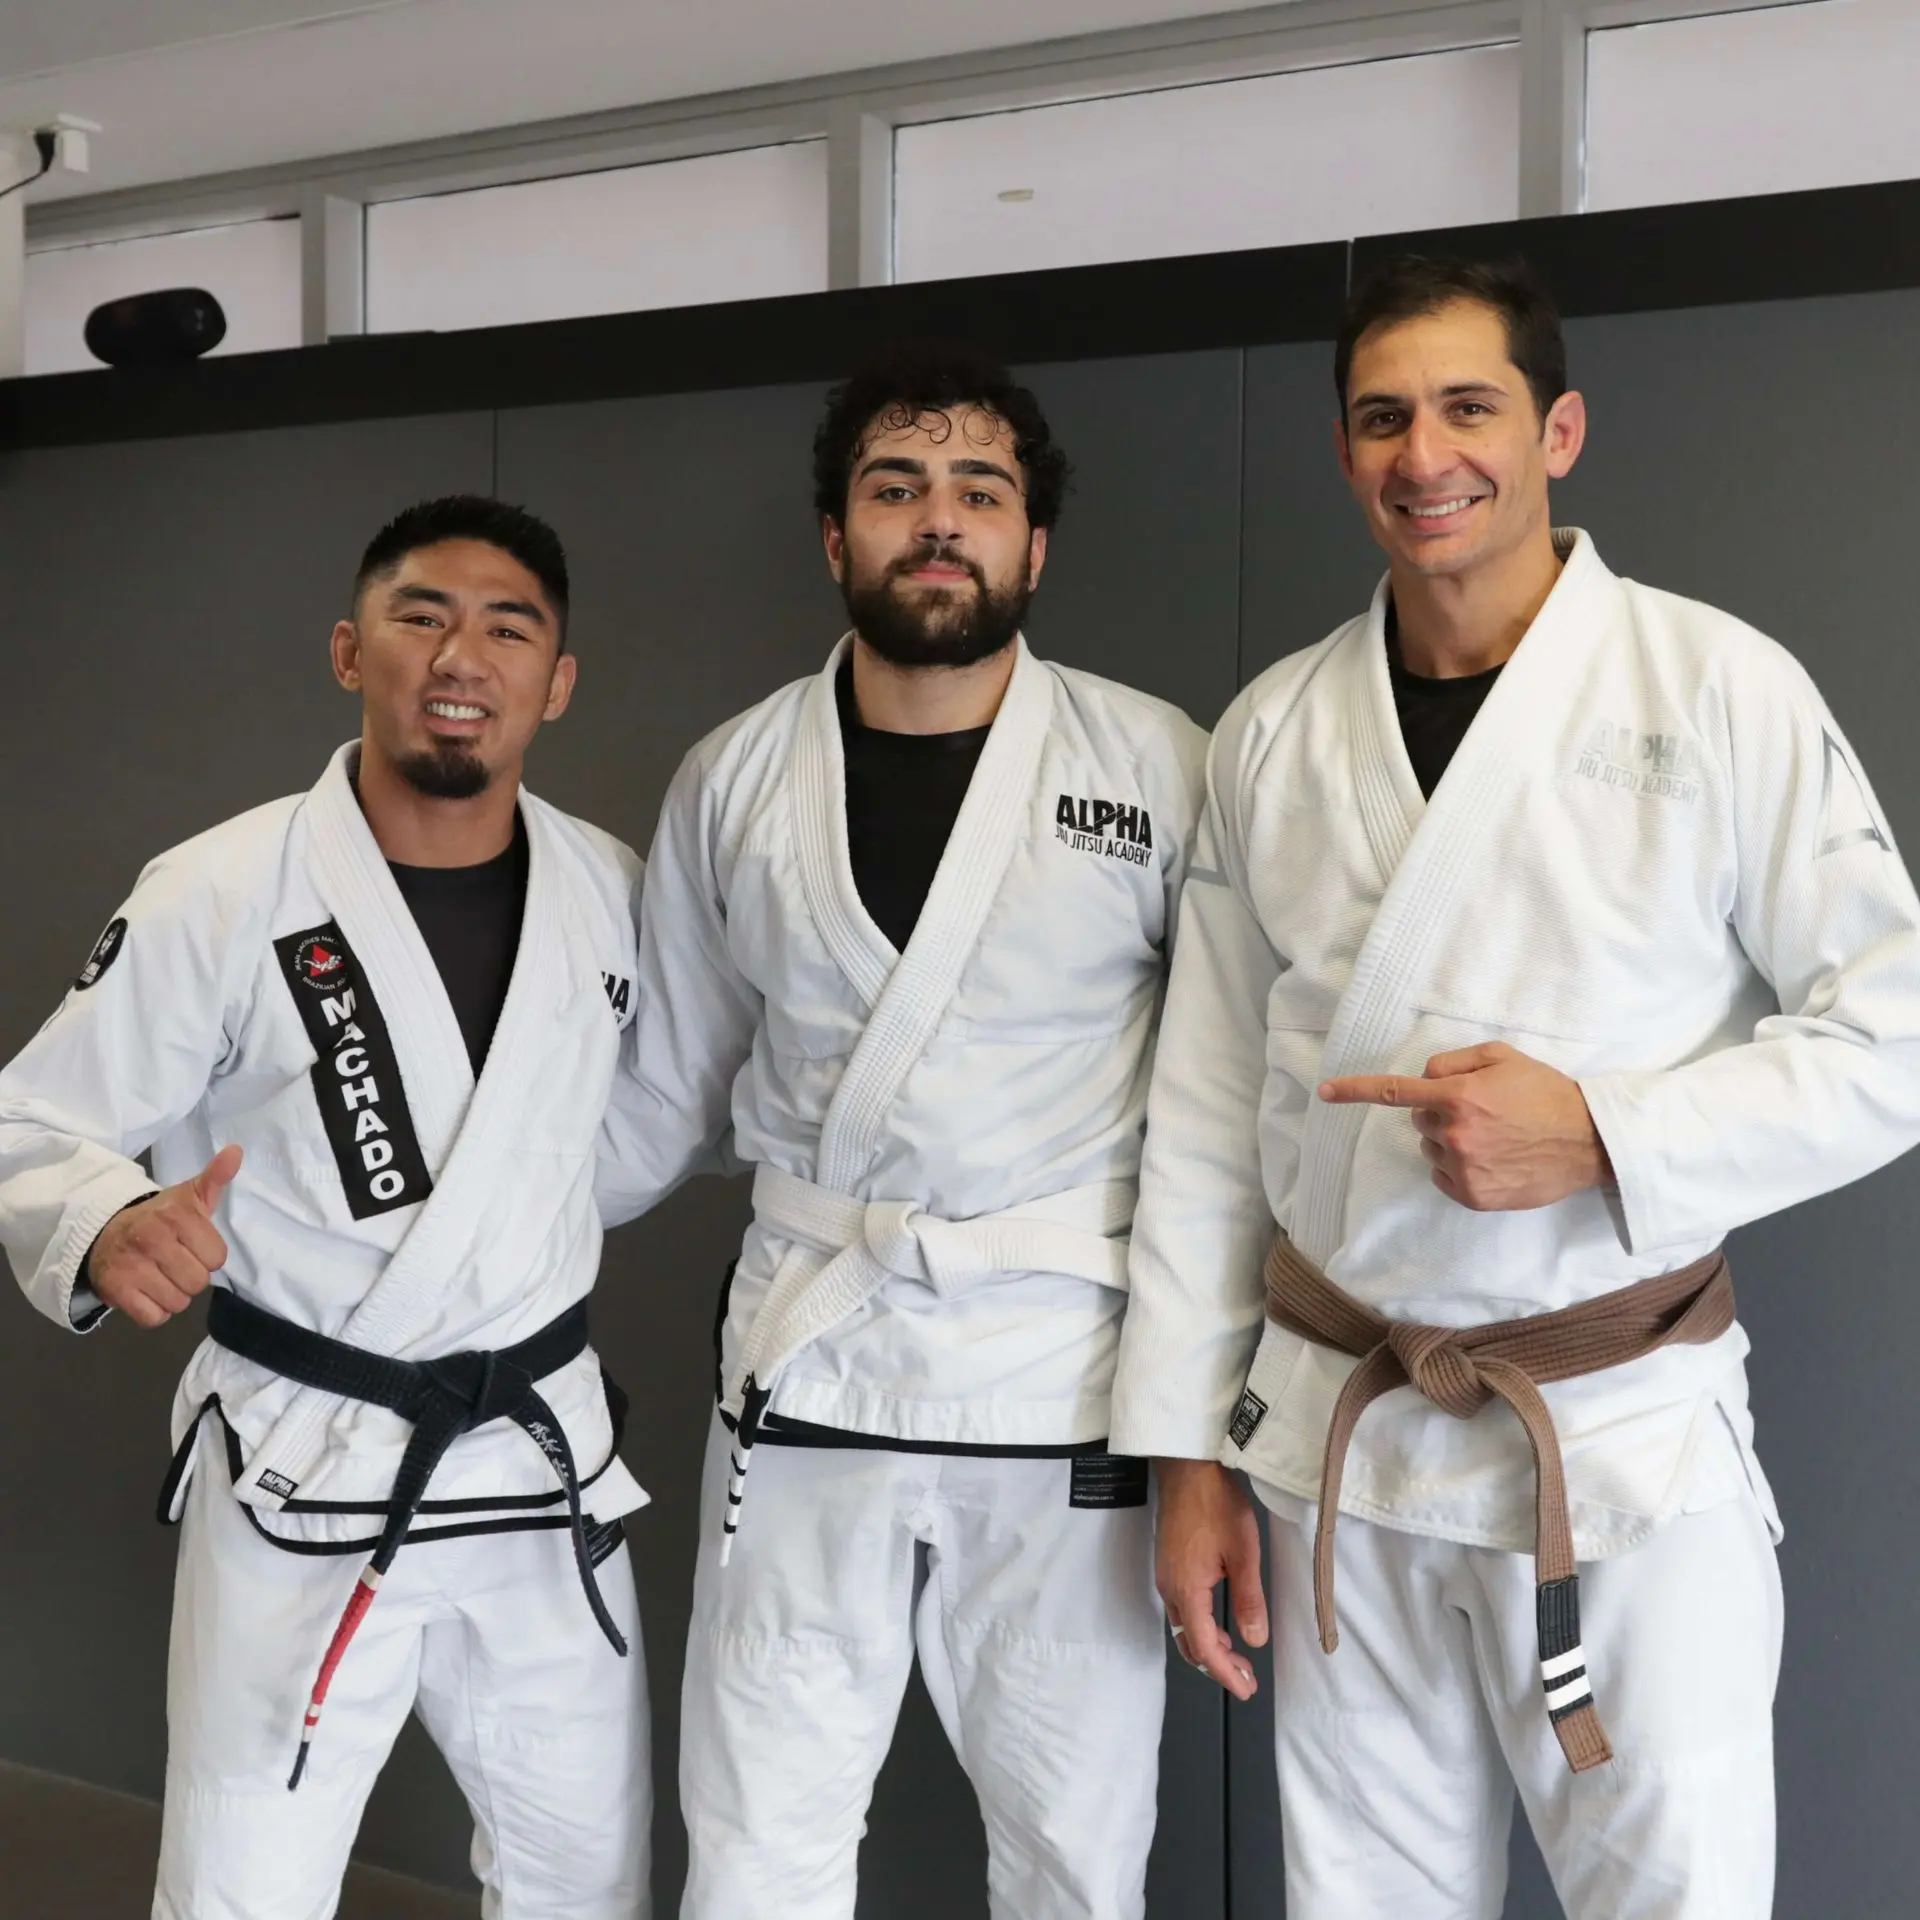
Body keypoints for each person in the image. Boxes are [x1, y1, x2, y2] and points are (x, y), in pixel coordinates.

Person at [1111, 255, 1920, 1917]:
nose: (1427, 455)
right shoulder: (1275, 731)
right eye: (1384, 418)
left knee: (1672, 1895)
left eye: (1470, 408)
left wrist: (1608, 1135)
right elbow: (1202, 1126)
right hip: (1344, 1431)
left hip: (1616, 1440)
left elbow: (1893, 1030)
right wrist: (1186, 1452)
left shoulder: (1713, 688)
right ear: (1344, 451)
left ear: (1557, 429)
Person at [597, 341, 1207, 1920]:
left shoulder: (1157, 766)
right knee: (756, 1845)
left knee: (1078, 1853)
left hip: (1062, 1381)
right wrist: (441, 1247)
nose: (938, 522)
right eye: (895, 489)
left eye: (978, 492)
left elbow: (1222, 1121)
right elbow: (660, 1090)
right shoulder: (733, 778)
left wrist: (1209, 1421)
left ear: (1035, 543)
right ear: (836, 537)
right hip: (811, 1368)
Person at [0, 496, 653, 1920]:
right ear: (351, 652)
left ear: (559, 681)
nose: (459, 655)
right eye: (420, 616)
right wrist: (111, 1222)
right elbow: (34, 1119)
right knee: (244, 1883)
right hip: (306, 1454)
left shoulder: (613, 892)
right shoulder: (223, 889)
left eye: (508, 626)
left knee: (586, 1877)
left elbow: (624, 1139)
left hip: (536, 1471)